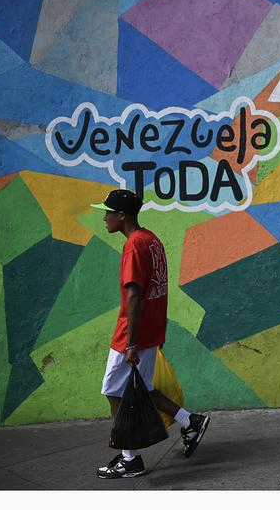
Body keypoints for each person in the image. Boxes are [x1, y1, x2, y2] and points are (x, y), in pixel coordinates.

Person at [91, 189, 211, 479]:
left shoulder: (134, 245)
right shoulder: (152, 240)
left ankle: (130, 458)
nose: (104, 217)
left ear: (122, 215)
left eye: (108, 212)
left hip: (131, 335)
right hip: (150, 331)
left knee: (114, 391)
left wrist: (131, 343)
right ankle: (190, 421)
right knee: (141, 387)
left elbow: (133, 295)